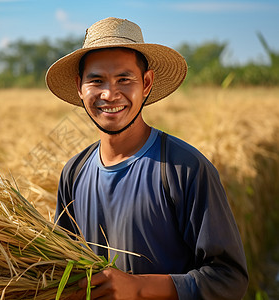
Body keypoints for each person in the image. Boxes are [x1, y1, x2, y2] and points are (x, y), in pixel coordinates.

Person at [46, 17, 248, 299]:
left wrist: (138, 287)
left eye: (124, 79)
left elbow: (229, 278)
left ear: (147, 83)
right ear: (80, 87)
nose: (109, 93)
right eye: (96, 80)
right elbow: (62, 267)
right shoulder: (74, 172)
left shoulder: (184, 169)